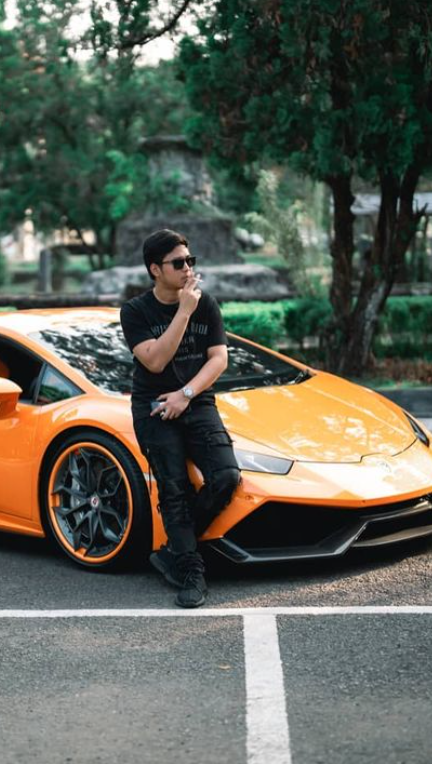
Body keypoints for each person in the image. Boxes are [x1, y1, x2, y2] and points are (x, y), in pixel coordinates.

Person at [120, 229, 241, 608]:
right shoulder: (135, 311)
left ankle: (175, 548)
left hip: (196, 400)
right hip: (153, 406)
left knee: (226, 477)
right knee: (174, 488)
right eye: (178, 263)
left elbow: (218, 359)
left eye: (191, 260)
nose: (188, 268)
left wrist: (185, 395)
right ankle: (191, 571)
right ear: (155, 269)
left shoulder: (207, 304)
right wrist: (183, 311)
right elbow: (155, 360)